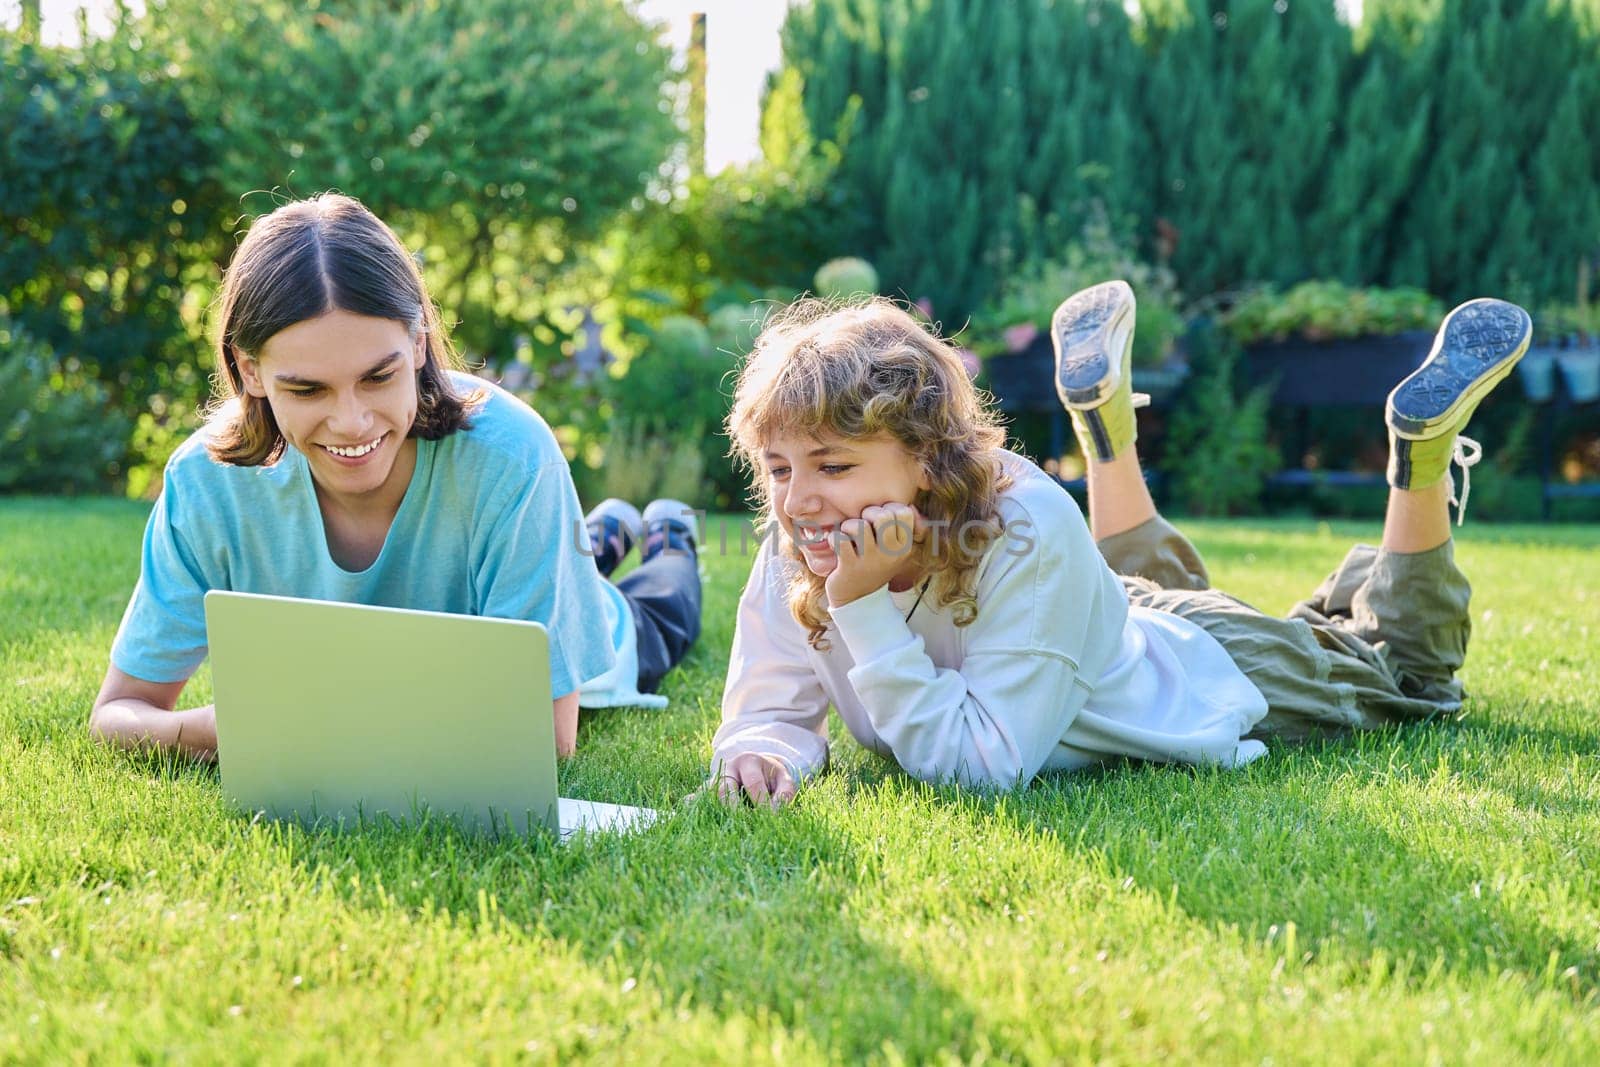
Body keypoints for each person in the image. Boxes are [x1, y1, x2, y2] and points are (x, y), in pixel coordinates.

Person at [711, 284, 1530, 805]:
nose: (797, 498)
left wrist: (861, 606)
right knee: (1120, 590)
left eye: (833, 464)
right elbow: (771, 706)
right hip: (1095, 624)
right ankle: (1106, 436)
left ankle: (1419, 454)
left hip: (1215, 670)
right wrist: (761, 752)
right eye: (777, 466)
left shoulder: (1024, 526)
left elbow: (980, 767)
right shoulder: (808, 531)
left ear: (925, 456)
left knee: (1409, 671)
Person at [90, 193, 700, 761]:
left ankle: (670, 535)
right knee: (575, 557)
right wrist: (206, 731)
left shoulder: (513, 457)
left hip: (606, 624)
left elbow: (545, 738)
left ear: (416, 344)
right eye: (307, 389)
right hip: (515, 576)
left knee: (650, 613)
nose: (351, 423)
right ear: (250, 372)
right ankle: (606, 531)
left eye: (377, 377)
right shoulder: (206, 481)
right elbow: (118, 712)